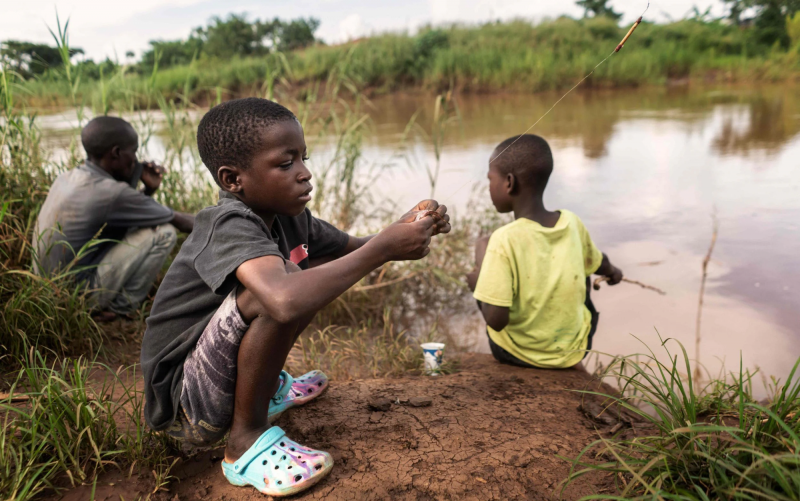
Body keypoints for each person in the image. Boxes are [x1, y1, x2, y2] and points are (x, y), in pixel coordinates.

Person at [140, 97, 450, 497]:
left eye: (304, 158)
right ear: (233, 179)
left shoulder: (289, 215)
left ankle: (263, 390)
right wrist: (385, 248)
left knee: (303, 266)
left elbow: (352, 249)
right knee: (279, 287)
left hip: (215, 377)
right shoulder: (227, 222)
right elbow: (283, 300)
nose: (304, 174)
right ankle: (244, 442)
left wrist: (407, 226)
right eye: (286, 164)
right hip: (183, 404)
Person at [466, 134, 623, 369]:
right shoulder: (572, 222)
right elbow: (599, 262)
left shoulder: (504, 240)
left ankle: (483, 274)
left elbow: (496, 321)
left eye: (490, 179)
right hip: (575, 350)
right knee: (583, 271)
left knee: (483, 246)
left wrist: (479, 285)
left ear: (509, 182)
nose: (489, 187)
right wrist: (613, 272)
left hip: (517, 354)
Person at [33, 116, 195, 319]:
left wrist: (145, 186)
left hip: (45, 292)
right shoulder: (112, 193)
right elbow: (181, 222)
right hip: (73, 297)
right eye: (133, 152)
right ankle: (120, 309)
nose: (136, 159)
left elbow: (121, 216)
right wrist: (234, 222)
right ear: (116, 153)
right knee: (165, 232)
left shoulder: (68, 177)